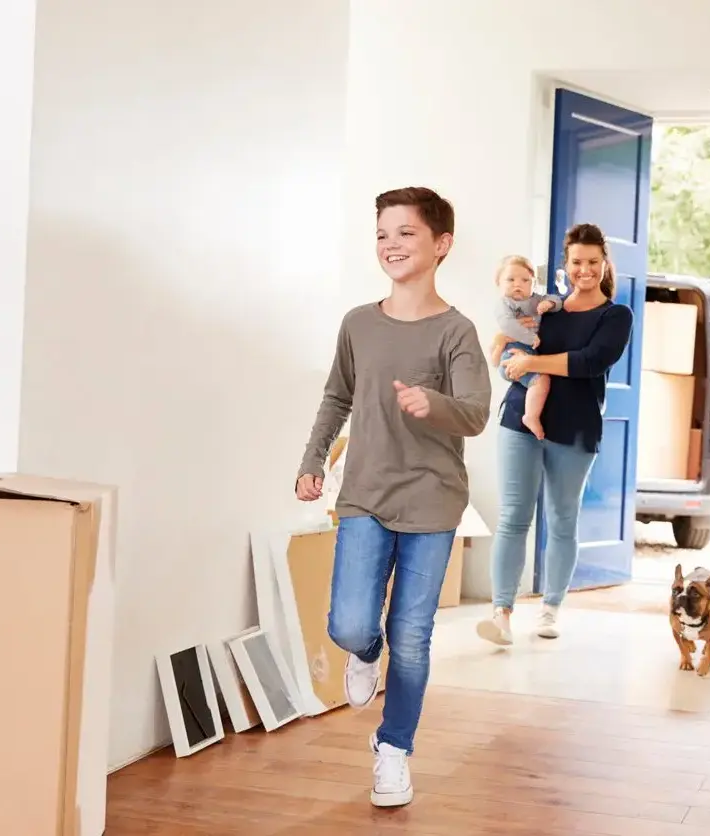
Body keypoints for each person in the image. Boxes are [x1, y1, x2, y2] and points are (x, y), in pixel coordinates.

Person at [295, 186, 491, 808]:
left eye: (405, 233)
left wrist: (431, 404)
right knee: (350, 622)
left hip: (433, 500)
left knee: (414, 633)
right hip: (365, 494)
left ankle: (394, 749)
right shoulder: (358, 323)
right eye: (382, 233)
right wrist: (311, 463)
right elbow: (336, 397)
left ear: (441, 245)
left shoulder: (457, 331)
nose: (390, 244)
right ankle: (365, 651)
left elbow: (476, 415)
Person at [476, 222, 632, 645]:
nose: (584, 270)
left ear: (604, 264)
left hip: (575, 426)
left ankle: (550, 609)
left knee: (562, 521)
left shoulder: (615, 315)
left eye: (593, 262)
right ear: (564, 266)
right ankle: (502, 613)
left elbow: (589, 361)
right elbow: (513, 339)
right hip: (519, 420)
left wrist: (532, 364)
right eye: (576, 262)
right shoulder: (547, 309)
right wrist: (507, 350)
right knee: (513, 517)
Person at [489, 254, 563, 440]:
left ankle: (531, 414)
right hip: (511, 355)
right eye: (510, 279)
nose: (517, 285)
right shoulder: (503, 304)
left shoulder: (535, 300)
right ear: (498, 282)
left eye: (525, 280)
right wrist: (530, 338)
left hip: (528, 354)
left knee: (541, 380)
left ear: (533, 283)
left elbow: (558, 300)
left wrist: (550, 303)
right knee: (542, 380)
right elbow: (508, 326)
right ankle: (531, 416)